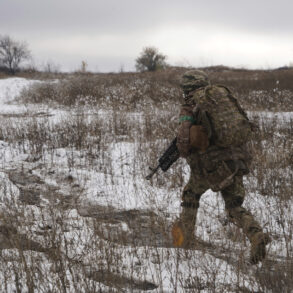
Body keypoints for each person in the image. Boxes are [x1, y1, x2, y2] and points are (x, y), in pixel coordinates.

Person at [172, 70, 270, 264]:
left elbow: (183, 143)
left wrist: (185, 147)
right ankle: (256, 235)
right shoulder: (221, 98)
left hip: (212, 166)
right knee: (234, 205)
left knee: (191, 195)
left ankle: (186, 243)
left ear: (187, 89)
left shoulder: (190, 106)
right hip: (237, 159)